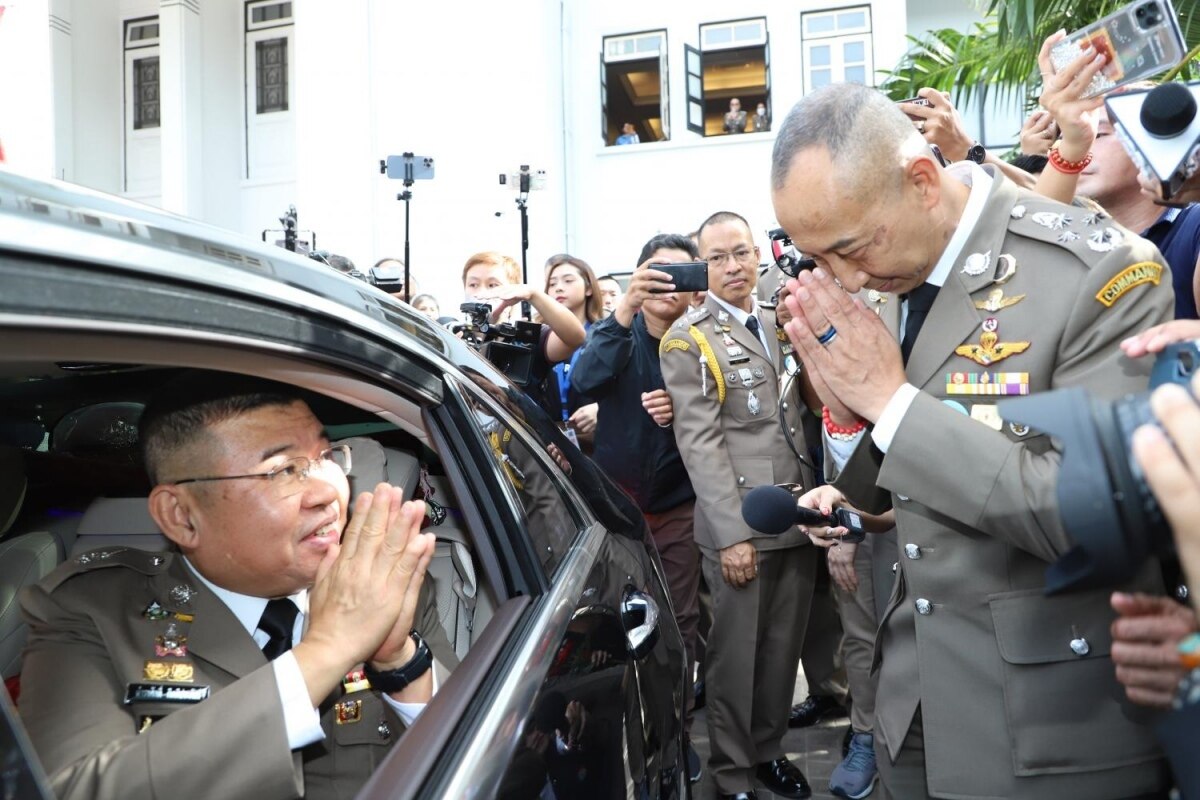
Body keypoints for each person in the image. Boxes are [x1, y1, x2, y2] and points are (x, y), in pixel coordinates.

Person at [771, 82, 1172, 799]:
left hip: (1048, 725)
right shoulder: (886, 272)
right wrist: (847, 420)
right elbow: (899, 489)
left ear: (921, 181)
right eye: (818, 259)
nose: (846, 277)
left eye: (851, 248)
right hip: (913, 709)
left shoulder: (1098, 272)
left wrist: (890, 403)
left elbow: (1094, 518)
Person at [18, 374, 436, 800]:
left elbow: (474, 752)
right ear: (181, 515)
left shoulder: (383, 586)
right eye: (283, 470)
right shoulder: (92, 610)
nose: (327, 491)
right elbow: (70, 790)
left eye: (326, 456)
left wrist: (399, 660)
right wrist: (327, 650)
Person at [660, 211, 817, 800]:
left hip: (794, 515)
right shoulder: (689, 339)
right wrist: (731, 535)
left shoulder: (783, 319)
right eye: (719, 257)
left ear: (758, 256)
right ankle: (731, 774)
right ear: (704, 266)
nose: (733, 266)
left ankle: (768, 752)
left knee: (781, 654)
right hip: (742, 523)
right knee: (733, 661)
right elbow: (699, 445)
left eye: (742, 253)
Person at [571, 232, 704, 782]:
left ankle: (675, 734)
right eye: (654, 273)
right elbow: (582, 380)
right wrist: (622, 310)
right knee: (617, 630)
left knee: (680, 624)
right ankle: (627, 733)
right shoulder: (619, 337)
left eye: (679, 274)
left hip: (677, 507)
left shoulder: (701, 342)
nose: (665, 284)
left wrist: (684, 408)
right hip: (617, 514)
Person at [1033, 32, 1200, 321]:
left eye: (1101, 133)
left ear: (1156, 140)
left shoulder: (1193, 228)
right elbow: (1027, 254)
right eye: (1066, 136)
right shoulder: (1072, 237)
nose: (1081, 146)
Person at [461, 251, 586, 410]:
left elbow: (575, 337)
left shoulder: (527, 339)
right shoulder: (454, 336)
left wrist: (534, 295)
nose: (481, 293)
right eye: (473, 285)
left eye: (493, 285)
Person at [541, 254, 604, 447]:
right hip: (548, 440)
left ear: (588, 288)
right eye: (552, 284)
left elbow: (630, 387)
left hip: (596, 439)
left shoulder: (606, 334)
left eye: (568, 280)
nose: (559, 287)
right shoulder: (540, 335)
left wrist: (600, 408)